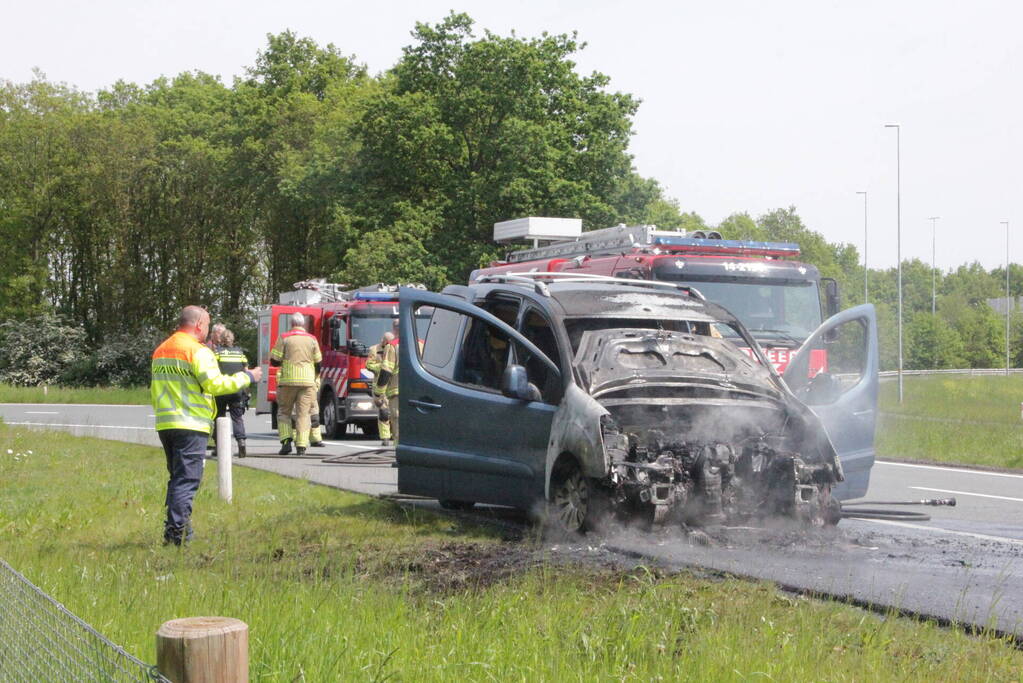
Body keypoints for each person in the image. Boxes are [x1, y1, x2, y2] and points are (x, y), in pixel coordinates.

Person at [151, 306, 260, 545]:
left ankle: (177, 530)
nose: (208, 330)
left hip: (166, 422)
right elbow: (215, 385)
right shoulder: (197, 351)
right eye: (208, 325)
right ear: (199, 324)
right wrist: (248, 377)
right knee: (187, 480)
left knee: (177, 478)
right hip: (191, 423)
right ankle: (176, 536)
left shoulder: (162, 349)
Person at [270, 313, 321, 455]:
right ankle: (301, 446)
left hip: (288, 381)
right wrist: (314, 376)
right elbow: (318, 362)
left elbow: (274, 360)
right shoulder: (312, 339)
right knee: (303, 414)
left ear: (291, 324)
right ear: (303, 324)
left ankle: (286, 442)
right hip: (307, 382)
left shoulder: (284, 337)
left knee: (284, 412)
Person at [213, 327, 250, 457]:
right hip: (237, 389)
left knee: (219, 417)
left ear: (221, 340)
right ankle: (241, 442)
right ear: (232, 340)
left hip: (222, 389)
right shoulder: (240, 353)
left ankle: (219, 447)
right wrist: (246, 390)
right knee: (237, 418)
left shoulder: (217, 353)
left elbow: (213, 370)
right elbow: (246, 371)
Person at [366, 331, 394, 445]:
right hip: (380, 384)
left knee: (395, 412)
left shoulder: (394, 349)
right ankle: (385, 437)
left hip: (394, 385)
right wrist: (381, 367)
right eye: (385, 342)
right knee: (383, 411)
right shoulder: (374, 349)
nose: (386, 344)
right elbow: (368, 365)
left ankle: (394, 434)